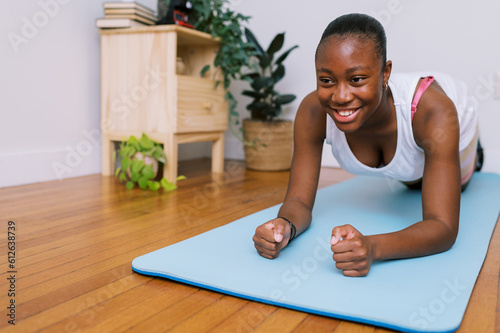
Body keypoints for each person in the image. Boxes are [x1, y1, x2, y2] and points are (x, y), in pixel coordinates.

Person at [252, 13, 483, 277]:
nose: (340, 97)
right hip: (407, 137)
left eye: (357, 79)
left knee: (451, 183)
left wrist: (373, 247)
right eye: (326, 80)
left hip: (454, 123)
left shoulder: (435, 112)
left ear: (385, 74)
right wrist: (283, 227)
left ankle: (476, 154)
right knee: (409, 178)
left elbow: (442, 226)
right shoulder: (313, 111)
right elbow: (298, 201)